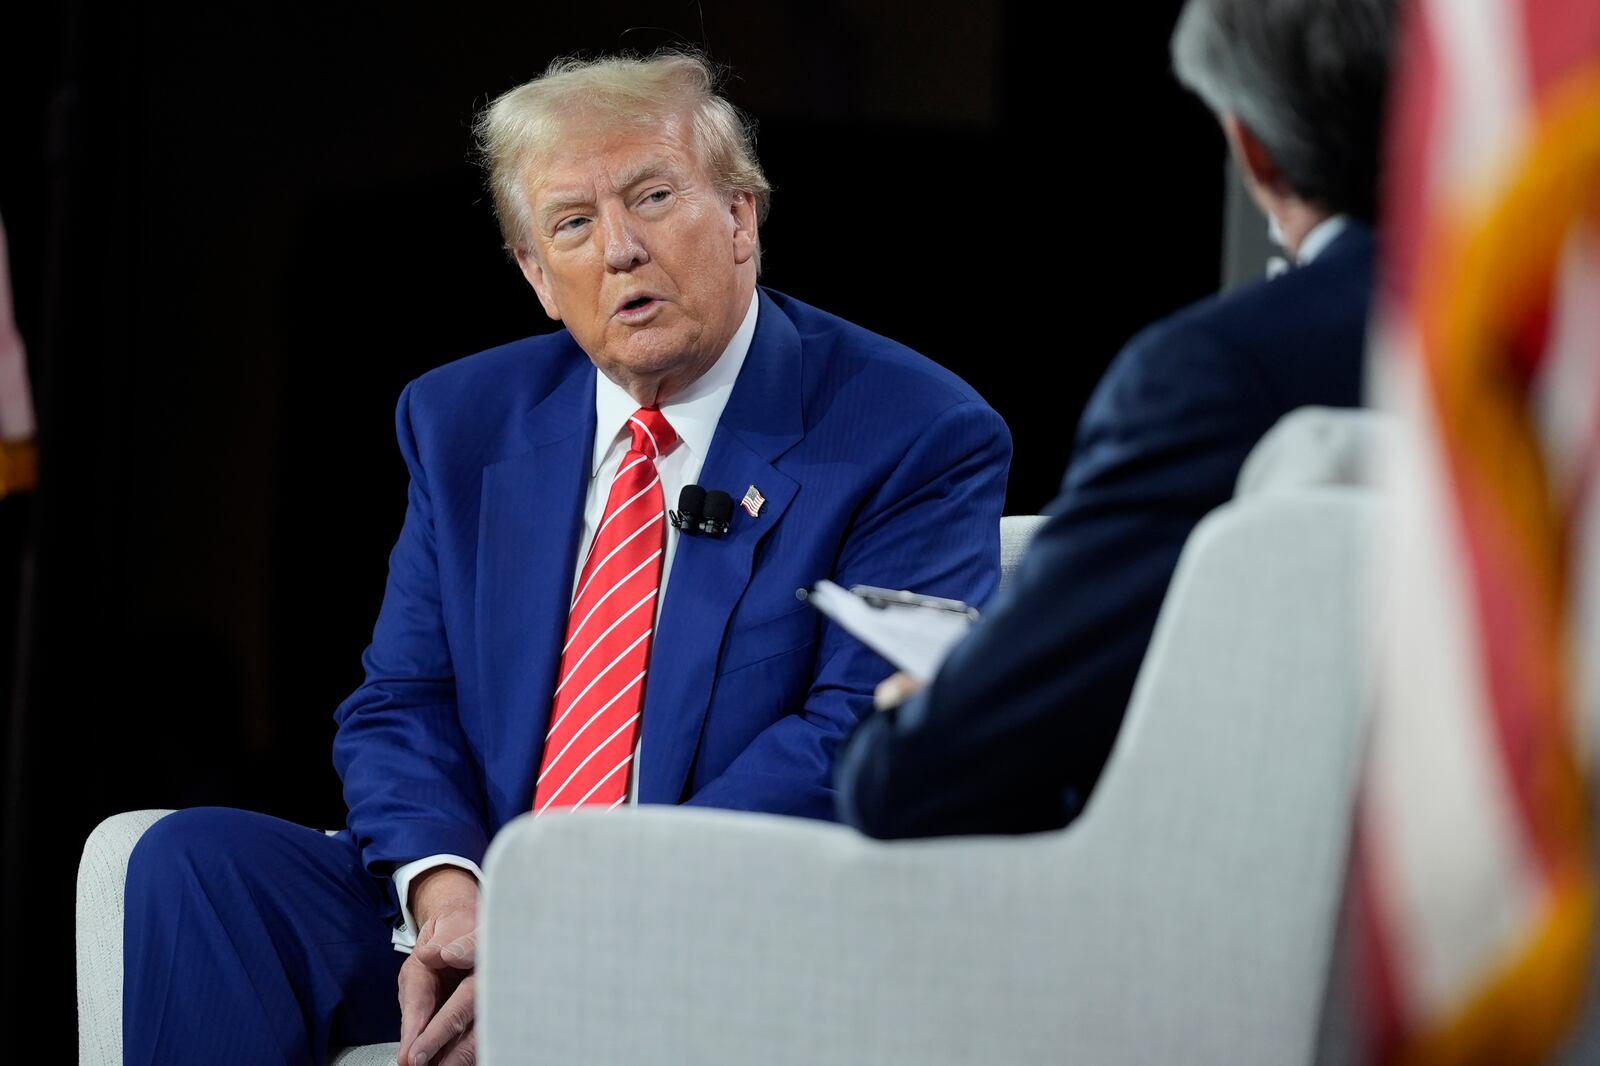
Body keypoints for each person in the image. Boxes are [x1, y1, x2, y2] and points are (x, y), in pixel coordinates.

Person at [122, 52, 1010, 1066]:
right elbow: (400, 698)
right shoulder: (461, 421)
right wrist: (453, 905)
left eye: (654, 196)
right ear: (537, 275)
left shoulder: (912, 430)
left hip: (701, 917)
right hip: (484, 907)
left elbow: (856, 734)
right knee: (195, 863)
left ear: (740, 219)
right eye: (574, 225)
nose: (621, 250)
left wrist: (563, 933)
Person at [835, 0, 1395, 839]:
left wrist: (919, 719)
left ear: (1252, 147)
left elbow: (922, 782)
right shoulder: (1558, 331)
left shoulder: (1216, 376)